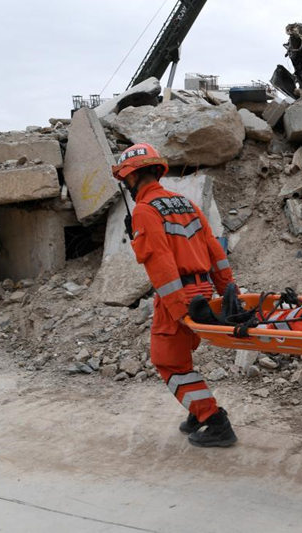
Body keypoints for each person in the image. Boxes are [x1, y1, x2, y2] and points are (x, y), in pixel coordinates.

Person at [111, 143, 238, 448]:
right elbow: (215, 250)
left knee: (167, 362)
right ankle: (197, 409)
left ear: (132, 177)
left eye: (125, 179)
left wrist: (180, 309)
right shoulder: (185, 203)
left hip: (178, 295)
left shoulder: (144, 211)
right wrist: (229, 291)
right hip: (203, 291)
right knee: (180, 358)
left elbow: (161, 264)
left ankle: (213, 419)